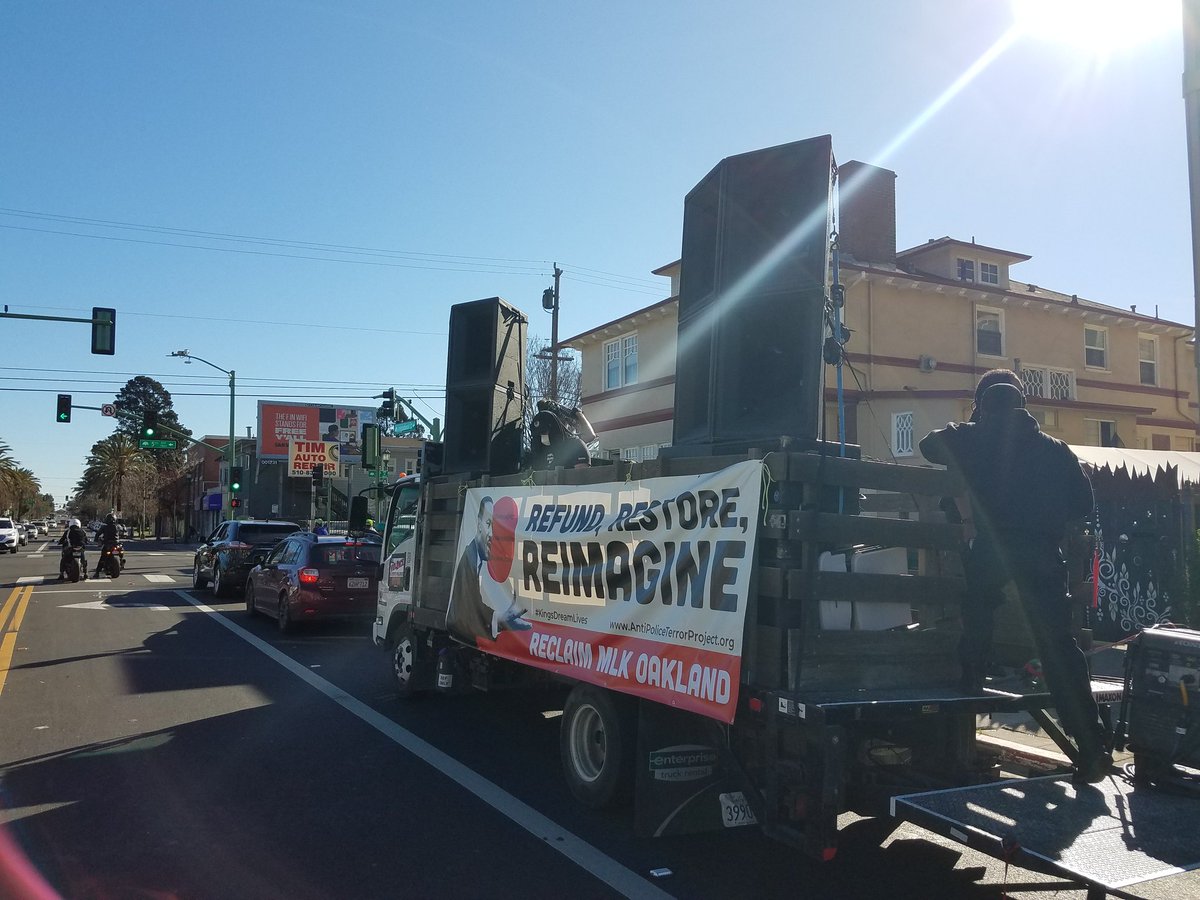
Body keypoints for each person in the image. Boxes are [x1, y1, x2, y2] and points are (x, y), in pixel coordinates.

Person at [920, 369, 1111, 783]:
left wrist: (969, 426)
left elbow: (928, 445)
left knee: (978, 604)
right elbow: (1083, 503)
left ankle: (971, 680)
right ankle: (1091, 747)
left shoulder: (973, 437)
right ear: (1024, 406)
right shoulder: (1056, 449)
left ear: (983, 406)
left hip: (993, 547)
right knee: (1058, 645)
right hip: (1042, 553)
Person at [446, 496, 530, 644]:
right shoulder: (469, 560)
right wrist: (499, 619)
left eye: (495, 526)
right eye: (488, 524)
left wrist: (500, 619)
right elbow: (465, 610)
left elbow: (472, 606)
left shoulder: (474, 558)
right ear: (479, 524)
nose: (492, 534)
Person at [93, 513, 122, 578]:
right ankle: (121, 561)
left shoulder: (104, 527)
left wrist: (96, 540)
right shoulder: (118, 526)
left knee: (102, 558)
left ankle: (97, 572)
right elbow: (122, 531)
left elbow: (98, 534)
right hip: (116, 543)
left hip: (107, 544)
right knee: (120, 550)